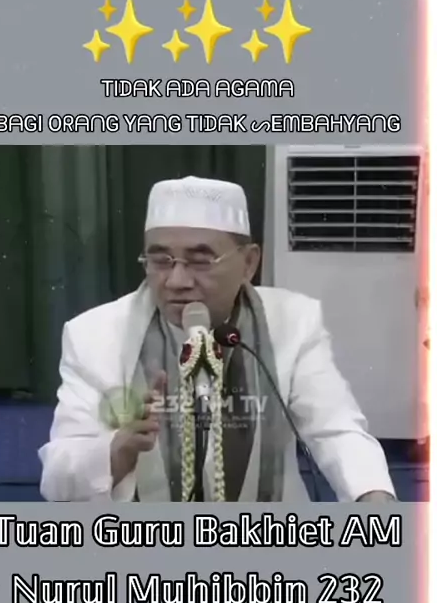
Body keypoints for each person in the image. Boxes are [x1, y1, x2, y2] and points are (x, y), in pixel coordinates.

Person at [39, 176, 396, 504]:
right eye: (160, 261)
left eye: (200, 261)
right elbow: (56, 479)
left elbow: (336, 429)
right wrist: (117, 451)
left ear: (249, 263)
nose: (177, 281)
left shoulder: (292, 322)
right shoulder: (95, 335)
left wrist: (373, 496)